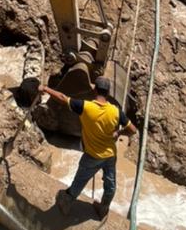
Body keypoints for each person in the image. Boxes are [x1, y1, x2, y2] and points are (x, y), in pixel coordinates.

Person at [40, 77, 136, 219]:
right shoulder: (116, 111)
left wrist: (46, 89)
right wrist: (119, 132)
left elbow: (62, 97)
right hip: (110, 155)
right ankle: (103, 208)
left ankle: (65, 202)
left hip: (92, 155)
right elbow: (132, 130)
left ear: (94, 89)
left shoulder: (86, 107)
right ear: (108, 92)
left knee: (79, 181)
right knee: (110, 184)